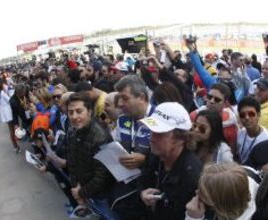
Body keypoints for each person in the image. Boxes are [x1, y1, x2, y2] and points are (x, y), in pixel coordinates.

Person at [140, 102, 203, 220]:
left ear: (180, 139)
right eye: (152, 131)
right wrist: (142, 194)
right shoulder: (154, 153)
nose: (152, 138)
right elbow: (143, 179)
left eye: (160, 134)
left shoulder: (193, 175)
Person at [65, 92, 117, 219]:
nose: (74, 116)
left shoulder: (101, 137)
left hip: (101, 196)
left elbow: (103, 175)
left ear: (89, 111)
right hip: (83, 191)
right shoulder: (72, 131)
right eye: (70, 112)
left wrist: (81, 192)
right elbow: (72, 162)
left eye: (79, 111)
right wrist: (76, 188)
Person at [110, 75, 155, 219]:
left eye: (125, 98)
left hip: (151, 191)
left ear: (141, 97)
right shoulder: (122, 119)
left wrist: (145, 159)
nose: (120, 103)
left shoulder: (158, 118)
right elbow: (116, 147)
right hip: (127, 189)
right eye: (119, 98)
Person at [185, 162, 259, 220]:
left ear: (221, 204)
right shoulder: (248, 172)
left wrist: (193, 217)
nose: (197, 192)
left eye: (204, 194)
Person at [237, 97, 268, 164]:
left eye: (251, 114)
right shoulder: (239, 133)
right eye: (242, 115)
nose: (247, 117)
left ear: (259, 115)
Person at [0, 79, 20, 152]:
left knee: (11, 129)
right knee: (11, 130)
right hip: (7, 111)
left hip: (4, 111)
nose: (3, 85)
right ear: (0, 85)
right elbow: (9, 100)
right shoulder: (2, 92)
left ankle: (15, 145)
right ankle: (15, 146)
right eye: (2, 83)